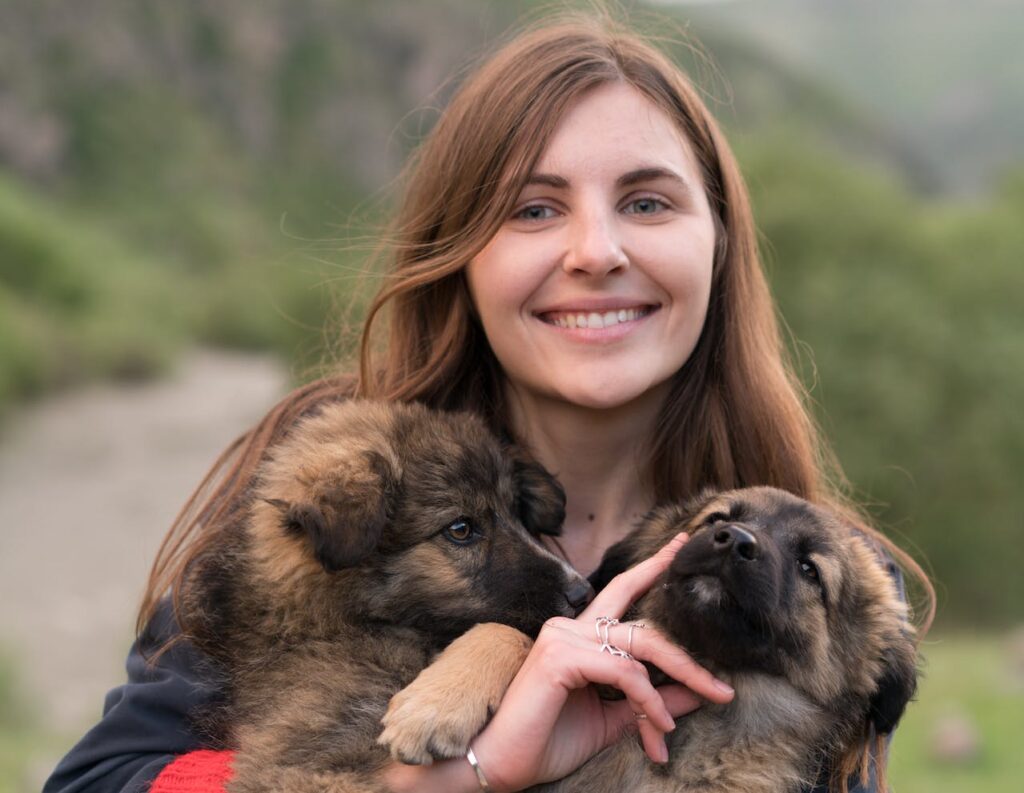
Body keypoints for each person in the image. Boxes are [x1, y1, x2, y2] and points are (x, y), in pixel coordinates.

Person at [43, 11, 933, 793]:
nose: (595, 250)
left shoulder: (831, 588)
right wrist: (443, 778)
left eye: (648, 201)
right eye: (535, 210)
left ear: (719, 244)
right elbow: (102, 779)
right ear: (462, 250)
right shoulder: (348, 475)